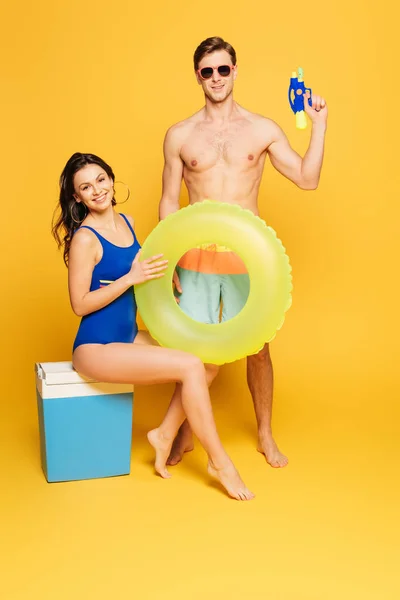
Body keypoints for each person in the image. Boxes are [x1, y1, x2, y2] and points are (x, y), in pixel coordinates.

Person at [159, 37, 328, 468]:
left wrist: (320, 123)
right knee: (191, 349)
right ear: (197, 75)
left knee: (259, 348)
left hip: (249, 256)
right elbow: (169, 202)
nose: (216, 78)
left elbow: (307, 180)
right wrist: (165, 258)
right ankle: (182, 434)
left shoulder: (263, 129)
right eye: (207, 71)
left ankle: (265, 435)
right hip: (195, 255)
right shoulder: (179, 134)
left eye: (223, 69)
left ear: (235, 71)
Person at [51, 152, 254, 501]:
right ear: (77, 197)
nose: (96, 190)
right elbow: (79, 304)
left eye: (101, 179)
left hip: (127, 337)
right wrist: (130, 277)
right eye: (85, 187)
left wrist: (167, 274)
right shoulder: (85, 238)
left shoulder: (126, 221)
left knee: (206, 360)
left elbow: (144, 266)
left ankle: (163, 434)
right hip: (96, 347)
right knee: (190, 365)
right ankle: (220, 463)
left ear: (111, 179)